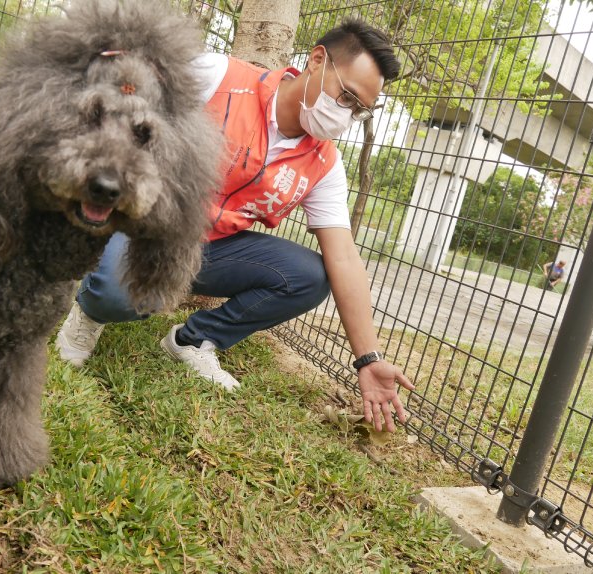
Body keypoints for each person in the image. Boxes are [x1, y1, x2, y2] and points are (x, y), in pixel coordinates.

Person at [56, 20, 414, 431]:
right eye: (345, 95)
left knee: (311, 276)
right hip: (145, 226)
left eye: (358, 109)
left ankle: (193, 340)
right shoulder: (216, 77)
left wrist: (367, 358)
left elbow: (345, 257)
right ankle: (90, 312)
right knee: (118, 296)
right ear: (317, 60)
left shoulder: (325, 164)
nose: (345, 115)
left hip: (210, 250)